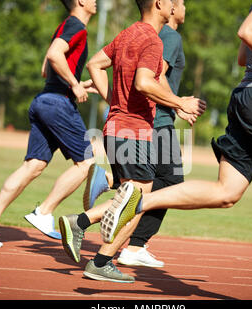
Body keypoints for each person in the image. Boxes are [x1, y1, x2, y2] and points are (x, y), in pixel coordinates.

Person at [98, 0, 252, 300]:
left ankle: (138, 202)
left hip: (247, 96)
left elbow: (245, 56)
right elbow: (247, 31)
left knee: (226, 192)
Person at [58, 0, 206, 283]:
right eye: (173, 1)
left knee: (134, 197)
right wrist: (179, 103)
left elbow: (95, 64)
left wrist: (113, 101)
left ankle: (86, 229)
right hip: (133, 131)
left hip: (115, 128)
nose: (176, 5)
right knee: (140, 201)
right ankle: (99, 257)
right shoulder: (153, 40)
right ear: (160, 4)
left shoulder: (128, 33)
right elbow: (143, 82)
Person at [0, 0, 105, 247]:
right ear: (80, 2)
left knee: (33, 165)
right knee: (87, 161)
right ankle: (44, 212)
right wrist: (74, 85)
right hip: (58, 105)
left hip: (44, 100)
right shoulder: (77, 26)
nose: (96, 1)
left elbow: (47, 68)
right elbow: (54, 55)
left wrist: (77, 82)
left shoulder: (64, 26)